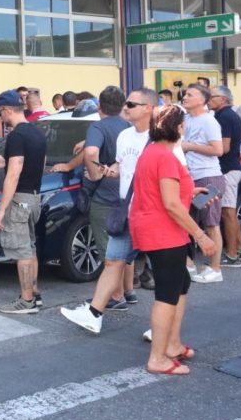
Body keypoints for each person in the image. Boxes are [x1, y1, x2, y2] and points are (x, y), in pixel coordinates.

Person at [129, 104, 217, 375]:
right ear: (179, 128)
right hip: (162, 231)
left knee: (181, 283)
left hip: (159, 228)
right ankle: (158, 357)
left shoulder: (153, 152)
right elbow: (170, 204)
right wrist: (201, 235)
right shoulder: (165, 156)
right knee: (167, 292)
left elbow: (165, 194)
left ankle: (172, 345)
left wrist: (189, 193)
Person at [61, 87, 155, 333]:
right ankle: (108, 304)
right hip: (128, 203)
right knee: (117, 257)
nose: (128, 108)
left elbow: (91, 153)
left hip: (131, 204)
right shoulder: (127, 132)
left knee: (119, 255)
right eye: (127, 104)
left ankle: (128, 304)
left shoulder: (103, 128)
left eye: (133, 105)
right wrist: (105, 169)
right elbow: (120, 163)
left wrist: (94, 175)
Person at [0, 90, 47, 314]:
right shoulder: (37, 132)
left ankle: (26, 301)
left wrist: (1, 210)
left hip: (20, 199)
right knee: (30, 248)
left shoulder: (16, 136)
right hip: (34, 197)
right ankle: (35, 294)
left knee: (21, 252)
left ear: (7, 110)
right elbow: (38, 165)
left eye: (0, 111)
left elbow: (14, 174)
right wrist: (5, 163)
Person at [82, 86, 130, 296]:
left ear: (99, 106)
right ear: (122, 106)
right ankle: (128, 291)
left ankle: (115, 295)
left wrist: (95, 174)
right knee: (125, 246)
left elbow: (91, 151)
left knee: (109, 250)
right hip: (127, 194)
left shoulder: (98, 127)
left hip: (105, 196)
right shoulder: (130, 127)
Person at [181, 85, 225, 283]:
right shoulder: (187, 119)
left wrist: (190, 146)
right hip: (191, 178)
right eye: (186, 94)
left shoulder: (209, 121)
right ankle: (189, 264)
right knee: (187, 222)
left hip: (209, 178)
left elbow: (218, 149)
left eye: (190, 94)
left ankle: (215, 268)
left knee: (211, 223)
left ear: (202, 100)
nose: (185, 97)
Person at [210, 86, 241, 265]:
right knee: (229, 212)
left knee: (227, 213)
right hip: (231, 168)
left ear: (223, 100)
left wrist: (204, 149)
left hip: (227, 169)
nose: (209, 99)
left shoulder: (225, 117)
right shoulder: (225, 115)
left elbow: (224, 148)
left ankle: (232, 255)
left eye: (213, 96)